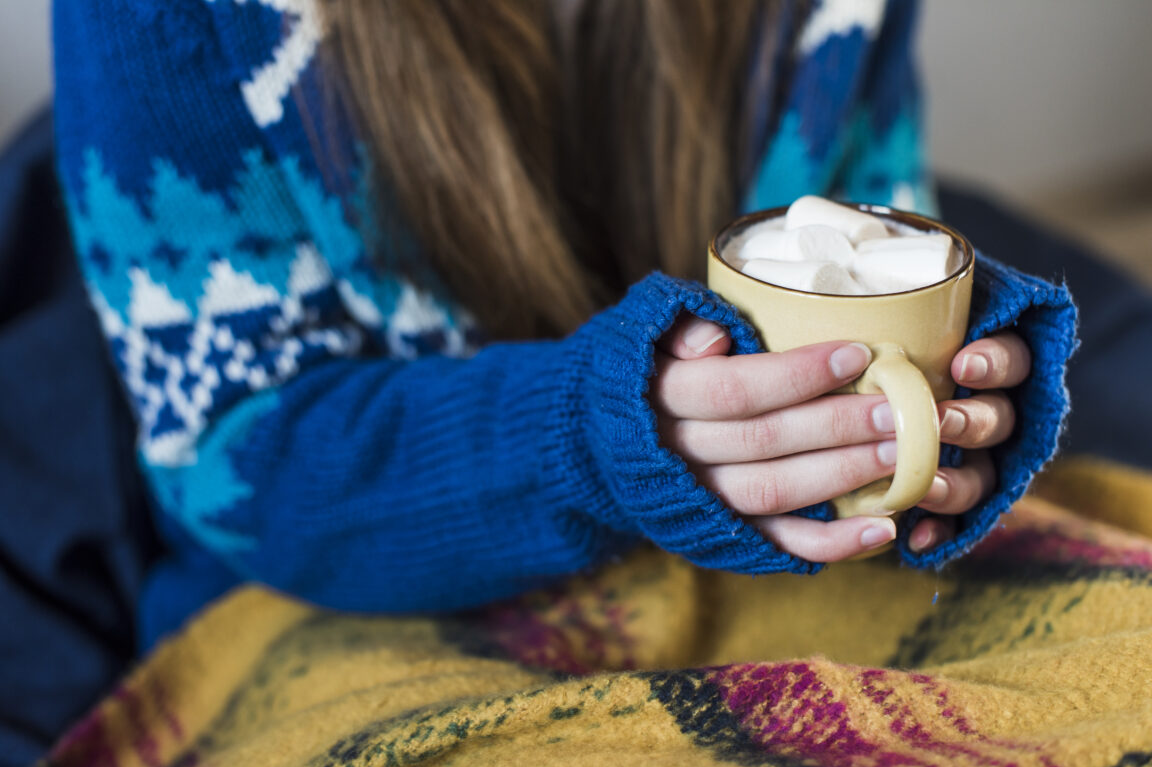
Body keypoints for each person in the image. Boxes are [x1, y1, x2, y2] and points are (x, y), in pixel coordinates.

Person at [50, 0, 1072, 655]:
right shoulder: (172, 22)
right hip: (348, 612)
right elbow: (235, 464)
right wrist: (585, 439)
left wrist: (949, 409)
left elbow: (867, 246)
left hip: (782, 597)